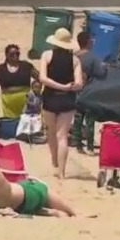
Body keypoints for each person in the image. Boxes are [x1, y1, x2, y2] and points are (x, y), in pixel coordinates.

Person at [0, 146, 76, 217]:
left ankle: (53, 213)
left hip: (18, 208)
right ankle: (73, 212)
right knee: (44, 191)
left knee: (34, 200)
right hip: (24, 196)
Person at [39, 28, 83, 179]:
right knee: (62, 136)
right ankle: (62, 173)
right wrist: (67, 87)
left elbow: (43, 79)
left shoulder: (46, 55)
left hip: (50, 97)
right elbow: (79, 83)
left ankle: (54, 160)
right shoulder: (75, 60)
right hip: (67, 99)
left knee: (51, 132)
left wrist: (59, 86)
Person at [72, 31, 107, 153]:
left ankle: (78, 145)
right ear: (87, 42)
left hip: (75, 91)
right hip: (89, 91)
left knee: (77, 119)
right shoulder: (92, 57)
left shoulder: (73, 56)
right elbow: (101, 74)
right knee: (90, 120)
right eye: (91, 40)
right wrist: (104, 66)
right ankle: (90, 147)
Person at [0, 44, 37, 118]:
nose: (15, 56)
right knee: (10, 123)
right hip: (8, 104)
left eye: (17, 54)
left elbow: (39, 77)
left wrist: (35, 89)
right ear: (6, 55)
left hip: (26, 101)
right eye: (12, 54)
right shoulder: (1, 69)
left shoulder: (26, 66)